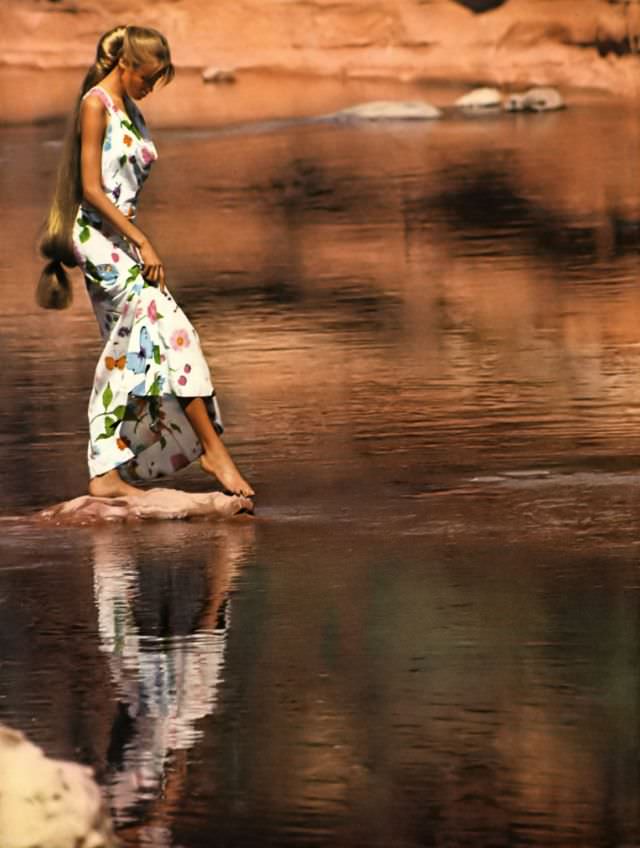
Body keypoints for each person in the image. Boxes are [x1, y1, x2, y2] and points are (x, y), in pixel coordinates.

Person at [37, 25, 254, 500]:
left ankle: (124, 467)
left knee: (149, 349)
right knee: (156, 338)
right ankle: (199, 454)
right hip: (100, 241)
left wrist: (135, 239)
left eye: (158, 81)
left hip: (122, 241)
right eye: (148, 78)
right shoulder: (97, 104)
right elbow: (91, 188)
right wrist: (143, 241)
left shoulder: (129, 110)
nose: (151, 88)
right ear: (126, 65)